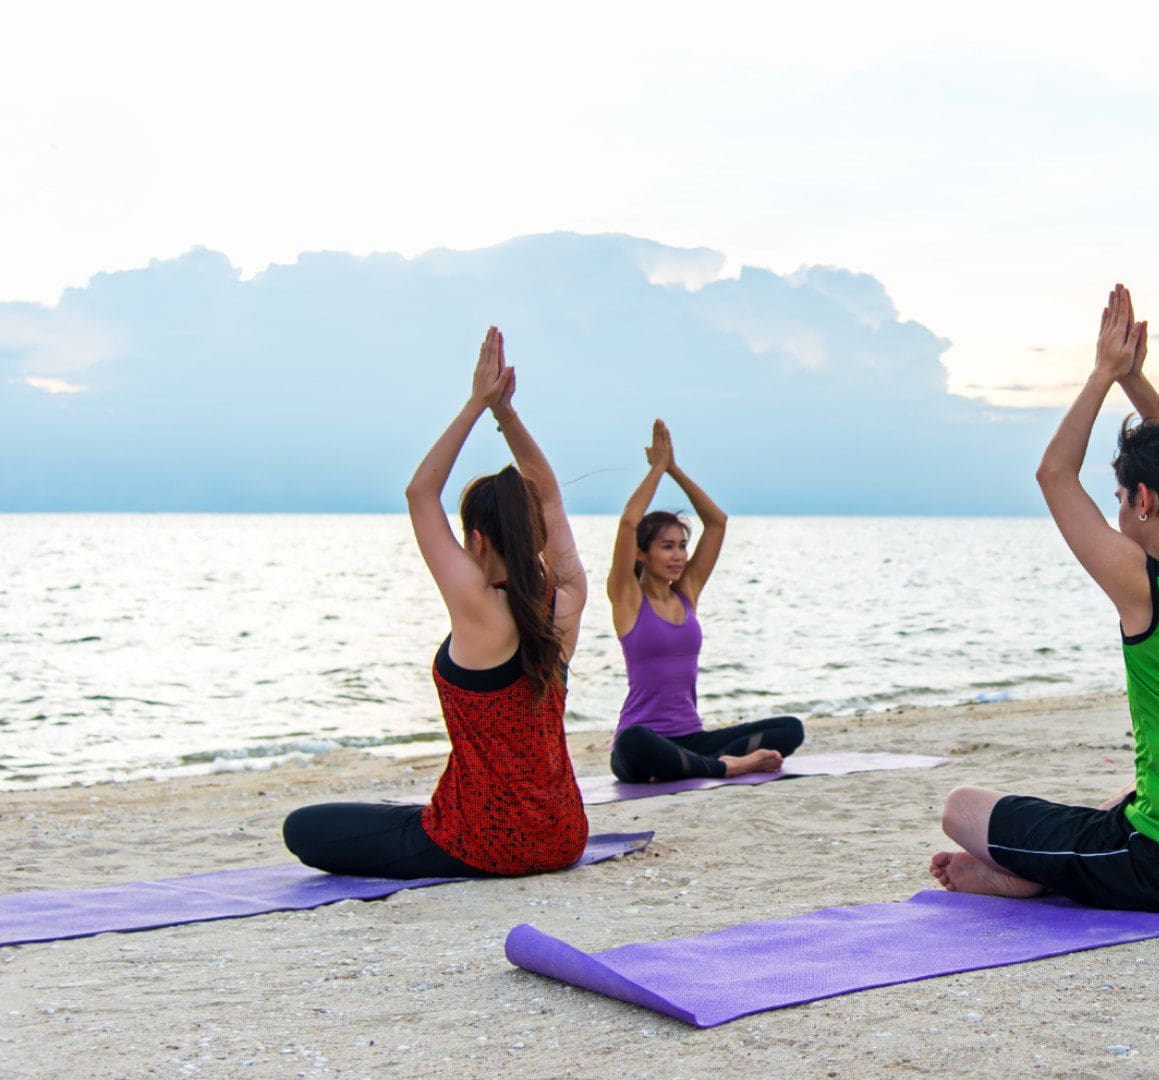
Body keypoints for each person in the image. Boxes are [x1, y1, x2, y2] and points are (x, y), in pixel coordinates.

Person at [929, 284, 1159, 913]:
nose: (1116, 509)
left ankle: (1030, 874)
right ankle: (1041, 870)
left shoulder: (1149, 588)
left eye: (1119, 497)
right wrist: (1137, 382)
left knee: (961, 809)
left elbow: (1053, 474)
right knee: (1127, 793)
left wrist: (1104, 374)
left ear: (1143, 501)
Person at [284, 327, 591, 877]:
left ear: (476, 541)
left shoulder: (479, 605)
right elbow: (550, 493)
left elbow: (420, 493)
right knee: (394, 816)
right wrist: (506, 416)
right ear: (535, 535)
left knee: (303, 828)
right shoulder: (565, 601)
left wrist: (478, 401)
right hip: (563, 833)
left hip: (486, 842)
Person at [606, 419, 805, 783]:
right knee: (636, 743)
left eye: (682, 546)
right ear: (641, 554)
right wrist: (656, 471)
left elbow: (717, 522)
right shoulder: (627, 598)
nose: (679, 556)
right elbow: (628, 524)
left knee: (791, 728)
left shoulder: (687, 592)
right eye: (667, 547)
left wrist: (675, 468)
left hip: (693, 740)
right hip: (642, 742)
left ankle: (693, 764)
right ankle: (729, 766)